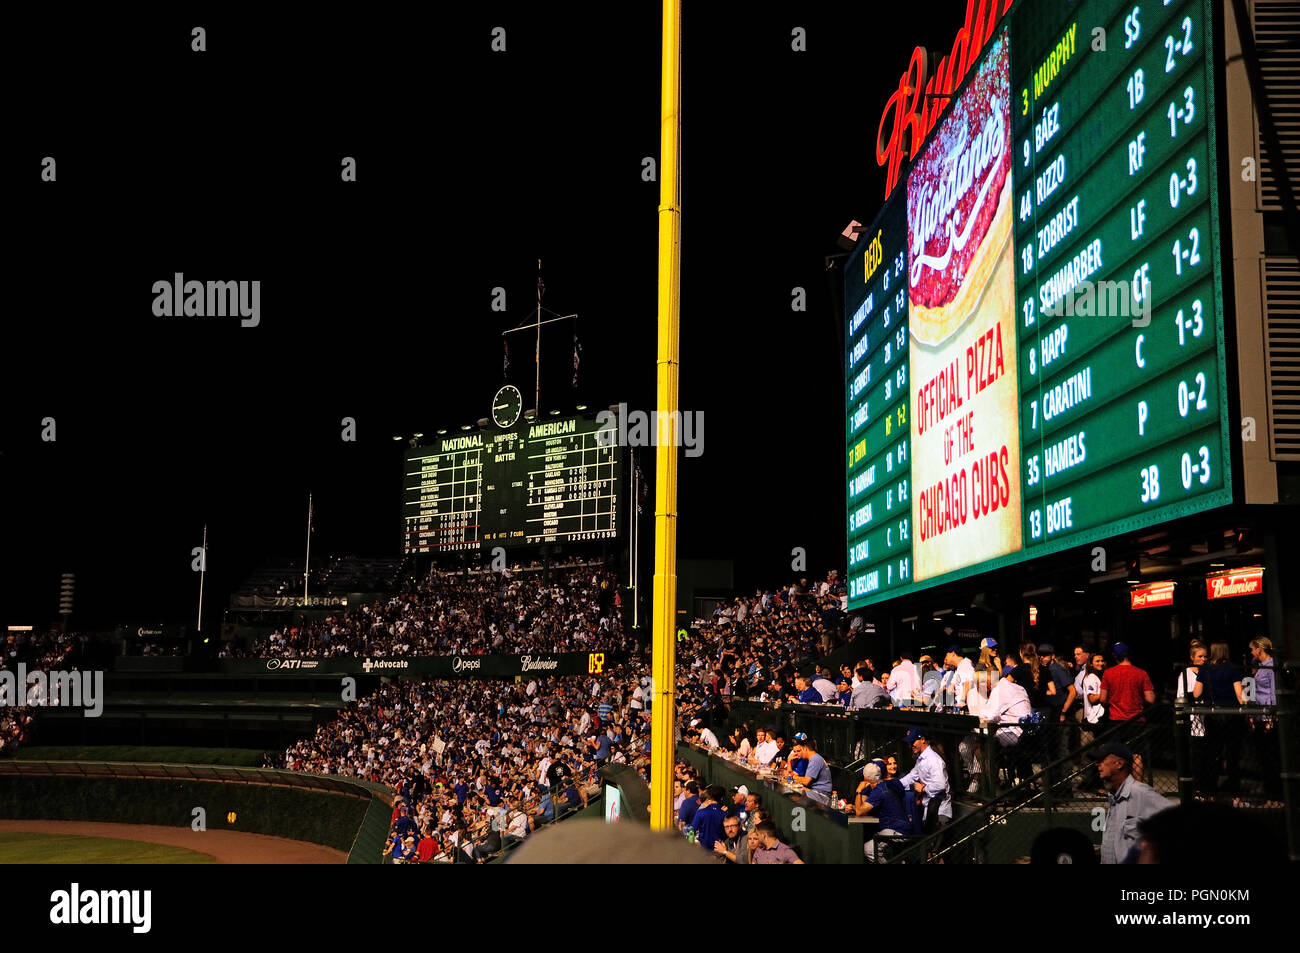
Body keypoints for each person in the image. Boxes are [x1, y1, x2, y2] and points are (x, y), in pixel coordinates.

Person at [1098, 741, 1172, 863]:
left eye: (1102, 760)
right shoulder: (1114, 796)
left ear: (1119, 764)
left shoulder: (1140, 793)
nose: (1097, 764)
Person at [1098, 642, 1156, 780]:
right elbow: (1150, 698)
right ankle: (1138, 788)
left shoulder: (1109, 673)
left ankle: (1117, 785)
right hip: (1137, 719)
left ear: (1114, 656)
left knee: (1115, 755)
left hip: (1116, 720)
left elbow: (1102, 698)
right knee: (1136, 755)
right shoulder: (1141, 673)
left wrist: (1111, 702)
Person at [1194, 641, 1245, 794]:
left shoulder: (1205, 670)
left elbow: (1196, 693)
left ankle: (1210, 789)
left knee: (1212, 753)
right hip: (1231, 714)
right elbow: (1239, 694)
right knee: (1232, 754)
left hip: (1212, 714)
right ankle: (1234, 789)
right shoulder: (1233, 668)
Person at [1247, 637, 1281, 806]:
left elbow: (1273, 693)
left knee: (1271, 756)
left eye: (1253, 649)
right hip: (1259, 714)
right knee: (1262, 756)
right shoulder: (1259, 666)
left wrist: (1271, 718)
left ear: (1259, 649)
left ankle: (1276, 796)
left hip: (1268, 715)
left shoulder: (1270, 666)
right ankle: (1269, 793)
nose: (1251, 653)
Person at [855, 760, 910, 862]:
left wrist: (859, 791)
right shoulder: (882, 786)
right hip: (896, 828)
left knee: (869, 849)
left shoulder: (879, 790)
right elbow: (864, 809)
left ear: (866, 778)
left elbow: (859, 812)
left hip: (895, 829)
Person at [898, 727, 951, 832]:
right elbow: (912, 776)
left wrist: (923, 788)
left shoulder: (933, 759)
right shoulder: (921, 758)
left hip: (939, 812)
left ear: (922, 740)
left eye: (913, 742)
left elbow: (940, 785)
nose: (910, 745)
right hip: (930, 809)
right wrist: (895, 785)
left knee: (934, 847)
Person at [690, 784, 727, 850]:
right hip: (718, 850)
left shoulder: (701, 812)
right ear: (721, 799)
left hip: (702, 850)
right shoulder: (725, 814)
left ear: (710, 797)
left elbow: (692, 830)